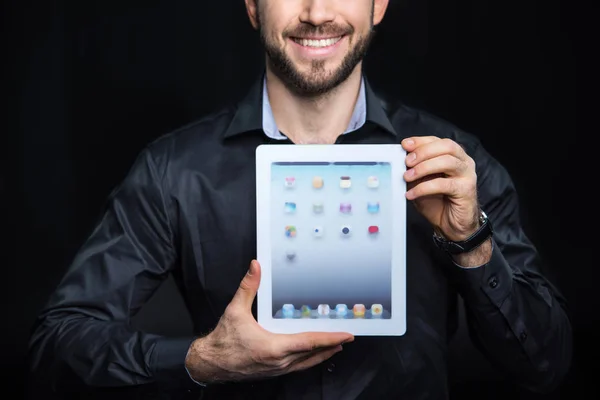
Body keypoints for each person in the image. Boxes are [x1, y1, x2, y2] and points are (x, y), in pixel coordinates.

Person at [28, 0, 572, 399]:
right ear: (252, 6)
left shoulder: (455, 165)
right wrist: (199, 361)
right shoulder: (174, 170)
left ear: (379, 5)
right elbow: (53, 350)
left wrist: (470, 245)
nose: (315, 12)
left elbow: (545, 366)